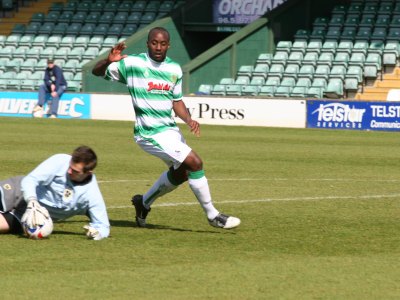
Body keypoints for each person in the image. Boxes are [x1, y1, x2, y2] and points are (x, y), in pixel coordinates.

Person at [92, 27, 240, 229]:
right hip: (148, 133)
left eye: (163, 44)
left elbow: (176, 101)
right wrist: (109, 61)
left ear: (168, 45)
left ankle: (143, 203)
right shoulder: (133, 63)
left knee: (182, 173)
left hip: (170, 130)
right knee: (195, 162)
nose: (158, 47)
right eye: (154, 43)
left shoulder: (174, 69)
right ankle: (213, 215)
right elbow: (96, 72)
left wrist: (188, 120)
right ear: (148, 43)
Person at [0, 145, 110, 240]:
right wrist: (32, 200)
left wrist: (97, 233)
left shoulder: (91, 194)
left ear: (88, 172)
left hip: (31, 218)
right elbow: (30, 180)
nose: (69, 171)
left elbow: (103, 225)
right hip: (16, 191)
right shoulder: (60, 161)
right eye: (70, 166)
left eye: (75, 171)